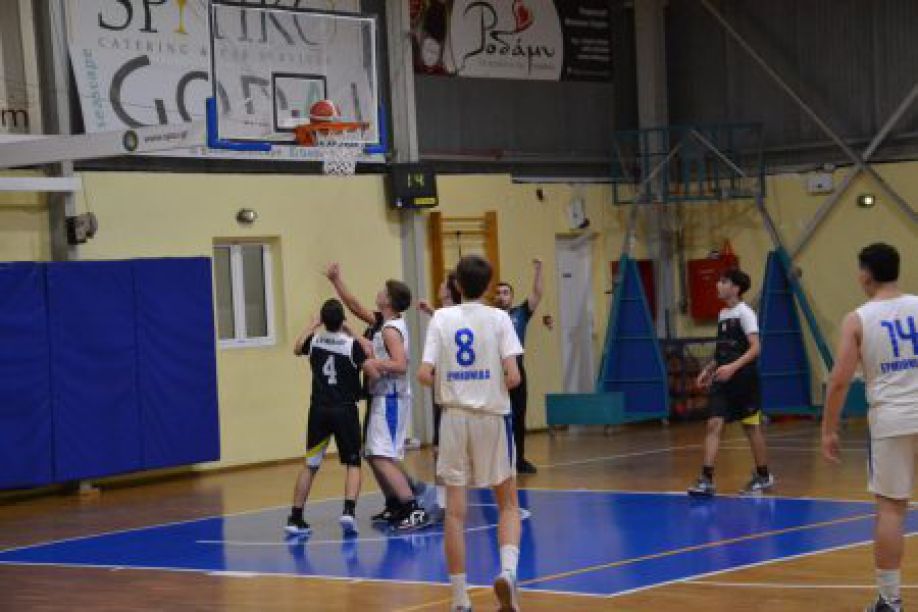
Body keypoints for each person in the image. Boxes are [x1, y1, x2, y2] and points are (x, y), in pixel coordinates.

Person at [419, 254, 524, 612]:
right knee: (508, 504)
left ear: (456, 285)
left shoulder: (440, 318)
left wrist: (452, 382)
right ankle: (507, 573)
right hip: (492, 417)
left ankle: (460, 599)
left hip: (453, 418)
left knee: (454, 513)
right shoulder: (500, 318)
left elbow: (423, 374)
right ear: (489, 285)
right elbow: (514, 376)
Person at [822, 243, 918, 612]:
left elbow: (839, 380)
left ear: (865, 274)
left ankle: (889, 601)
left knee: (891, 510)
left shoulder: (858, 319)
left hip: (892, 421)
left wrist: (829, 429)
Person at [325, 263, 431, 531]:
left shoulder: (390, 330)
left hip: (391, 398)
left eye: (384, 290)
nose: (379, 292)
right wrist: (336, 280)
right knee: (372, 454)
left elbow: (401, 364)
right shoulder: (382, 322)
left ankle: (413, 508)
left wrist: (373, 362)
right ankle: (395, 503)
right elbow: (354, 305)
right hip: (380, 396)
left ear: (389, 300)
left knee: (382, 455)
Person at [285, 299, 378, 536]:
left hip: (319, 410)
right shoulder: (351, 345)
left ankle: (295, 517)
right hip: (344, 410)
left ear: (323, 321)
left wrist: (311, 326)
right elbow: (372, 370)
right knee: (353, 463)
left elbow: (296, 347)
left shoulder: (315, 341)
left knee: (310, 464)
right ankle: (348, 512)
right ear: (342, 320)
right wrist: (353, 333)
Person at [687, 268, 774, 497]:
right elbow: (723, 351)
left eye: (724, 281)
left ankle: (763, 475)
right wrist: (708, 369)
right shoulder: (723, 314)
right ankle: (706, 479)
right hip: (723, 380)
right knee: (714, 424)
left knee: (751, 428)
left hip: (744, 380)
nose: (718, 284)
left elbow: (756, 348)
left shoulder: (746, 313)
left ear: (735, 288)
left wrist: (733, 368)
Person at [418, 271, 462, 522]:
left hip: (449, 388)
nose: (440, 285)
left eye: (444, 283)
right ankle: (444, 502)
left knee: (447, 450)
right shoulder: (446, 315)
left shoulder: (448, 316)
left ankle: (449, 502)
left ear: (452, 288)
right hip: (449, 389)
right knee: (440, 449)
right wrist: (431, 311)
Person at [494, 258, 543, 475]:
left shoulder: (520, 313)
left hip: (517, 371)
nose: (502, 296)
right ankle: (497, 460)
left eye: (506, 292)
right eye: (498, 293)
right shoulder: (489, 317)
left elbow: (537, 294)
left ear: (511, 297)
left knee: (518, 415)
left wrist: (539, 270)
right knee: (495, 417)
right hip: (495, 374)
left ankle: (519, 460)